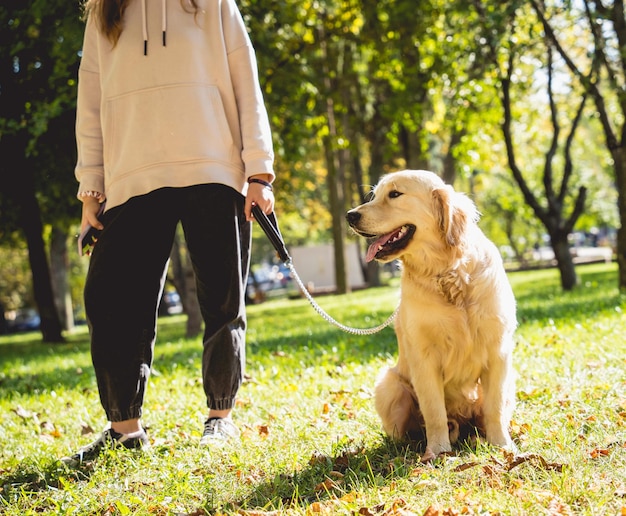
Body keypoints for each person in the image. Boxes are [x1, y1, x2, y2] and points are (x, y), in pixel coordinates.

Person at [62, 0, 275, 465]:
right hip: (131, 174)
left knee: (223, 299)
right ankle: (125, 429)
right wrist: (90, 190)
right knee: (111, 300)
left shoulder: (215, 4)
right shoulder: (104, 12)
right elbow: (90, 102)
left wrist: (259, 173)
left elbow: (246, 83)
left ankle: (221, 417)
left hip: (216, 168)